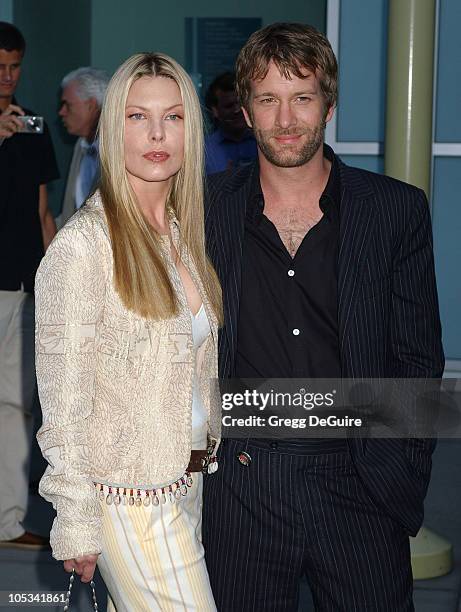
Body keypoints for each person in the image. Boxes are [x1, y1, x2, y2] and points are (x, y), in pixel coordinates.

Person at [202, 22, 444, 611]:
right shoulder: (205, 210)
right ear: (247, 111)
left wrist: (396, 472)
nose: (286, 120)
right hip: (241, 485)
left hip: (359, 481)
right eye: (268, 99)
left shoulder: (394, 209)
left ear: (329, 105)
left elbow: (418, 358)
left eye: (302, 97)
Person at [35, 52, 222, 610]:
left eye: (174, 116)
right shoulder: (84, 247)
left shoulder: (182, 235)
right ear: (111, 130)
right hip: (128, 497)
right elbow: (63, 398)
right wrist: (74, 517)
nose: (157, 133)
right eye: (137, 117)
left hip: (186, 482)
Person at [0, 21, 58, 550]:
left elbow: (43, 210)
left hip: (21, 282)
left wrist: (52, 278)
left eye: (15, 66)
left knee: (16, 405)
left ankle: (8, 521)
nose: (8, 77)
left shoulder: (34, 123)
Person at [58, 66, 109, 228]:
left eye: (67, 105)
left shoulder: (120, 149)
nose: (61, 112)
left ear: (92, 105)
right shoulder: (81, 146)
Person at [204, 72, 257, 174]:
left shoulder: (263, 142)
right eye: (229, 106)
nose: (237, 110)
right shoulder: (204, 151)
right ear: (215, 111)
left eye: (241, 103)